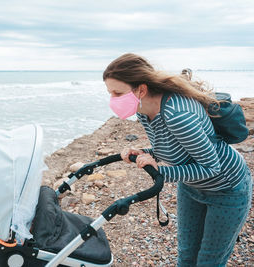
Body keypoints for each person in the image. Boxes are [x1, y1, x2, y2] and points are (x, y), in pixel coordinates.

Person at [103, 53, 252, 266]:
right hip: (191, 187)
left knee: (209, 260)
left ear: (141, 90)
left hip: (226, 189)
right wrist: (145, 153)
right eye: (110, 94)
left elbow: (212, 167)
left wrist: (161, 172)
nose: (113, 100)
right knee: (186, 255)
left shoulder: (178, 116)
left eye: (118, 93)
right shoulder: (144, 110)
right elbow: (169, 147)